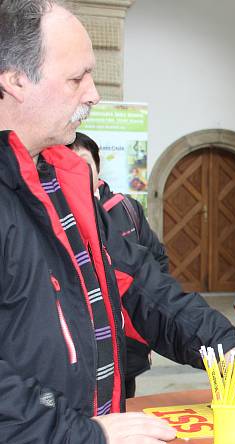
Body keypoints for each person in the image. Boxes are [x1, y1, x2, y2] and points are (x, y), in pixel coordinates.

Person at [0, 2, 235, 444]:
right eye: (77, 78)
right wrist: (86, 439)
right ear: (14, 82)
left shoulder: (62, 180)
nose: (93, 93)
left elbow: (139, 288)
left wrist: (227, 347)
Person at [69, 131, 169, 398]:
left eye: (84, 163)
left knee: (124, 404)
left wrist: (140, 312)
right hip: (77, 348)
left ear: (98, 169)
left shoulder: (125, 209)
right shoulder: (54, 214)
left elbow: (156, 260)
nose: (76, 171)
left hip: (127, 341)